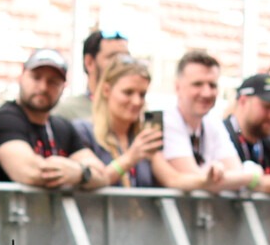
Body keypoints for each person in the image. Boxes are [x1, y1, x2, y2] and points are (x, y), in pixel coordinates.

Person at [0, 48, 94, 191]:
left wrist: (81, 173)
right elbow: (31, 172)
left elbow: (101, 173)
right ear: (22, 76)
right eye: (36, 77)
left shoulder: (62, 126)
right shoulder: (5, 119)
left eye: (53, 82)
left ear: (63, 87)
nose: (43, 87)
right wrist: (80, 172)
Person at [156, 49, 245, 190]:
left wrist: (243, 177)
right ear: (177, 87)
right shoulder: (165, 122)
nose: (206, 92)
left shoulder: (213, 122)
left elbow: (238, 175)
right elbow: (197, 181)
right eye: (197, 84)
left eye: (212, 85)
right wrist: (252, 176)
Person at [74, 53, 163, 190]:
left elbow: (173, 178)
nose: (136, 101)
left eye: (142, 94)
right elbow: (92, 179)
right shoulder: (83, 131)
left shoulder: (143, 137)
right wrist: (130, 158)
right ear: (106, 90)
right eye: (128, 92)